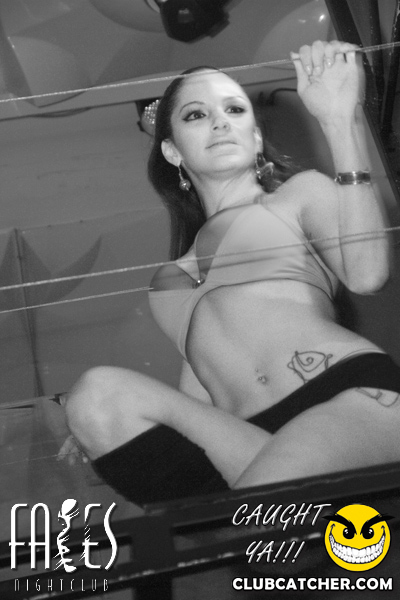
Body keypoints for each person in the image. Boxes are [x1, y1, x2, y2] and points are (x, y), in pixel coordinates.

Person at [61, 40, 400, 506]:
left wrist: (339, 120)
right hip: (249, 437)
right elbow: (204, 387)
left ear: (256, 138)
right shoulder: (168, 281)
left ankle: (250, 516)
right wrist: (98, 432)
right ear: (172, 151)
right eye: (196, 115)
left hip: (345, 398)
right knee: (95, 394)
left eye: (235, 110)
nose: (220, 122)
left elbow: (367, 274)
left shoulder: (296, 197)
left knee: (256, 522)